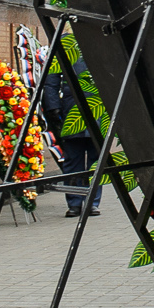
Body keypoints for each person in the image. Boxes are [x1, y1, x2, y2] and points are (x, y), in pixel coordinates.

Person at [41, 52, 100, 218]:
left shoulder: (96, 38)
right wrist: (53, 108)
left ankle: (92, 201)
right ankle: (74, 202)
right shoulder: (63, 43)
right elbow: (51, 82)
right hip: (71, 110)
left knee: (96, 161)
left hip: (97, 110)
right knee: (73, 161)